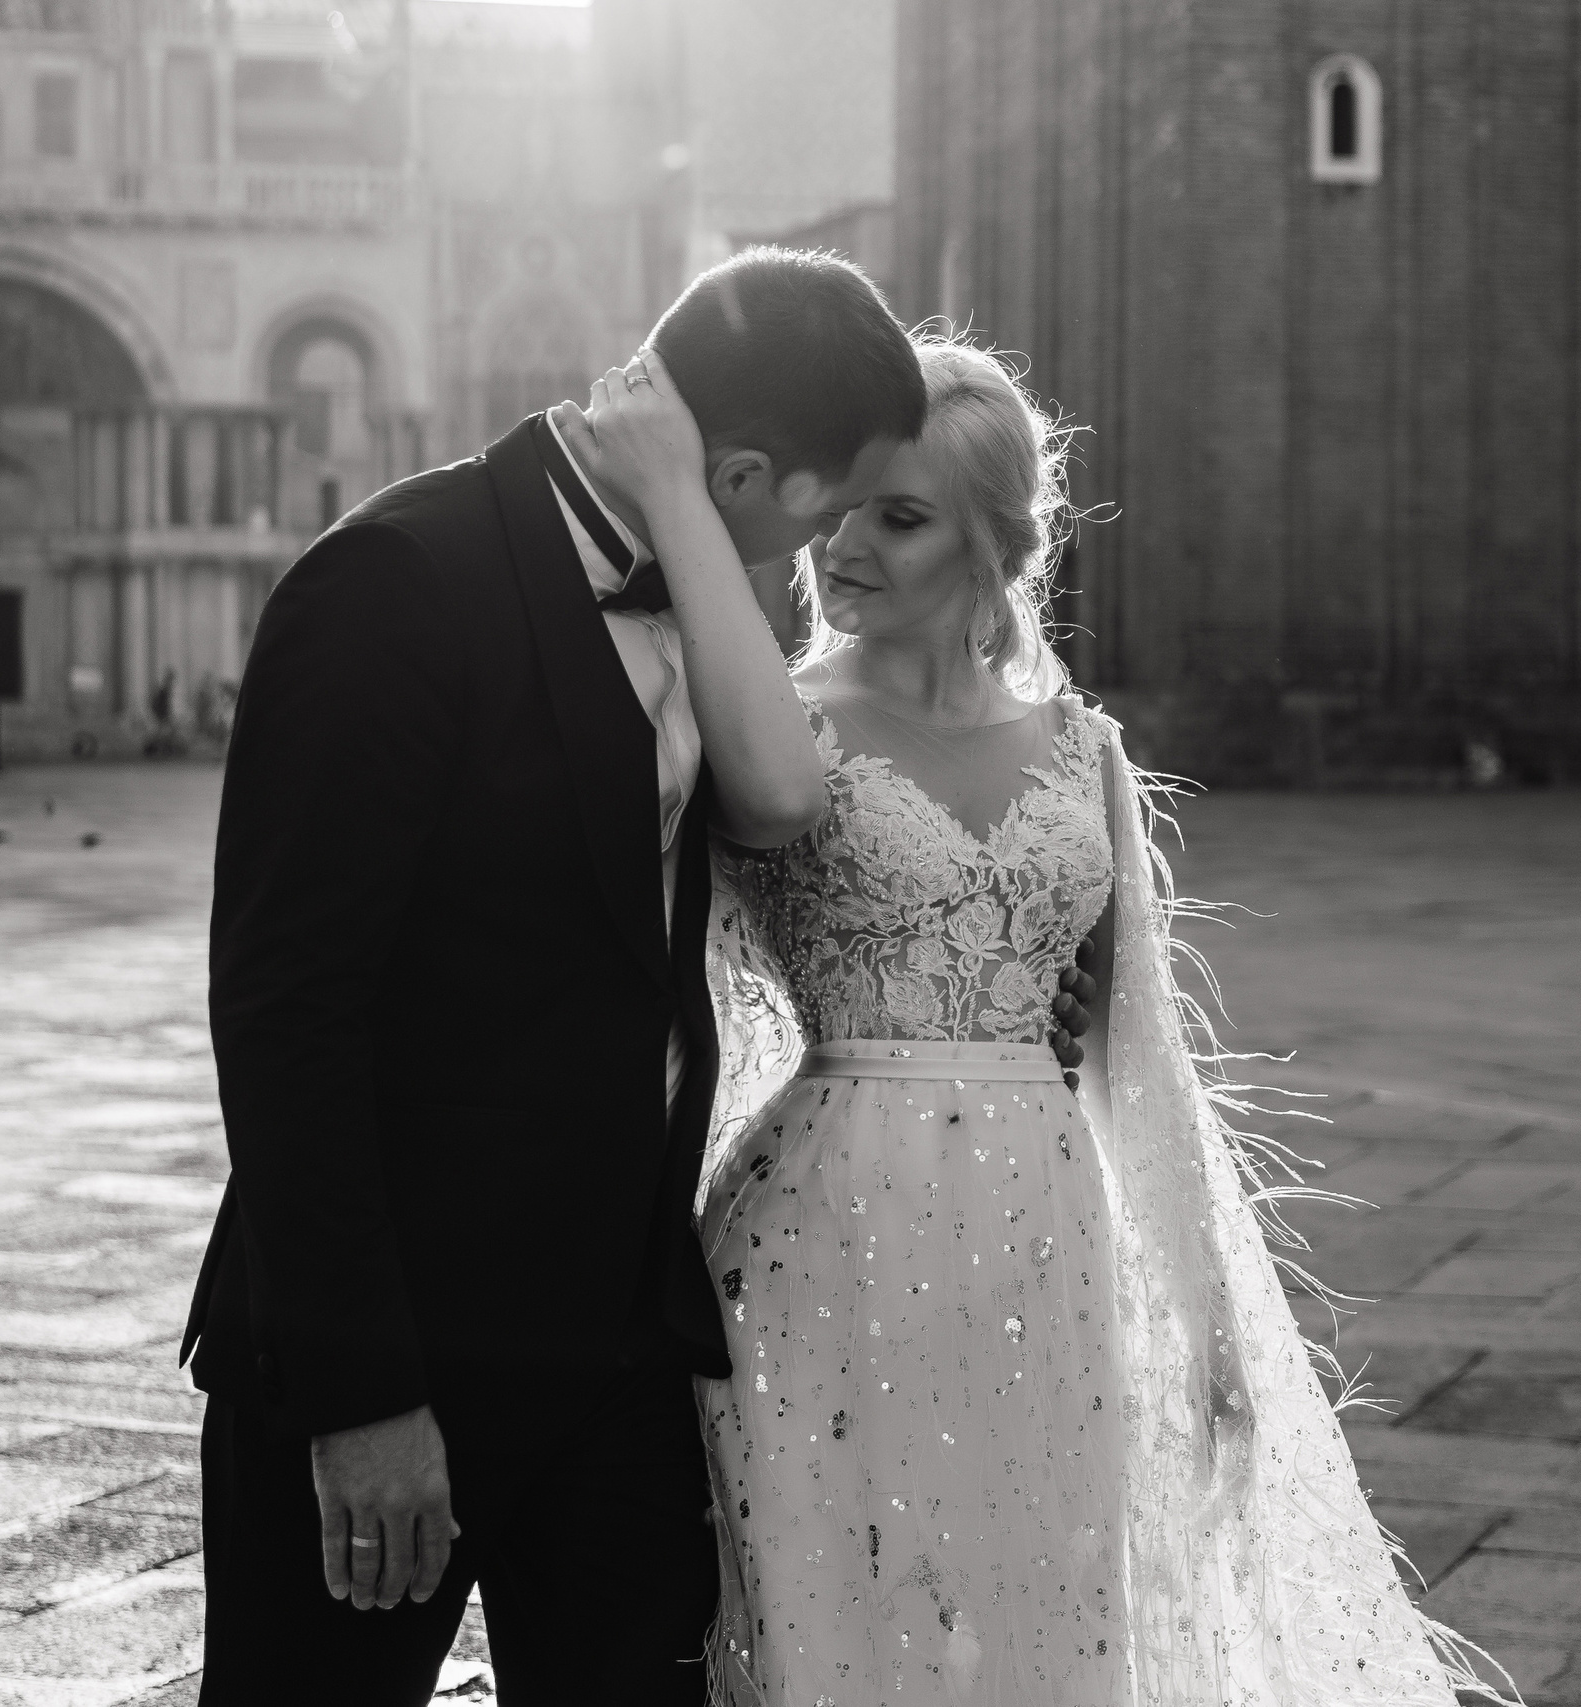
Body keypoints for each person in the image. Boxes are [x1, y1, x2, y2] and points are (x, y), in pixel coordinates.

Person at [183, 249, 1092, 1705]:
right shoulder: (395, 584)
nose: (837, 543)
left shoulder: (708, 600)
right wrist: (367, 1399)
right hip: (395, 1354)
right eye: (830, 502)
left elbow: (792, 824)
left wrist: (1000, 971)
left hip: (622, 1355)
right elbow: (286, 1012)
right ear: (740, 477)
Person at [576, 334, 1504, 1705]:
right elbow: (633, 970)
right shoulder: (764, 729)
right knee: (835, 1624)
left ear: (995, 547)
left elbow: (1146, 1058)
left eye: (900, 518)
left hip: (1040, 1239)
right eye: (840, 514)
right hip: (817, 1240)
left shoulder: (1086, 749)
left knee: (1044, 1618)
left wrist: (1207, 1325)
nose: (843, 548)